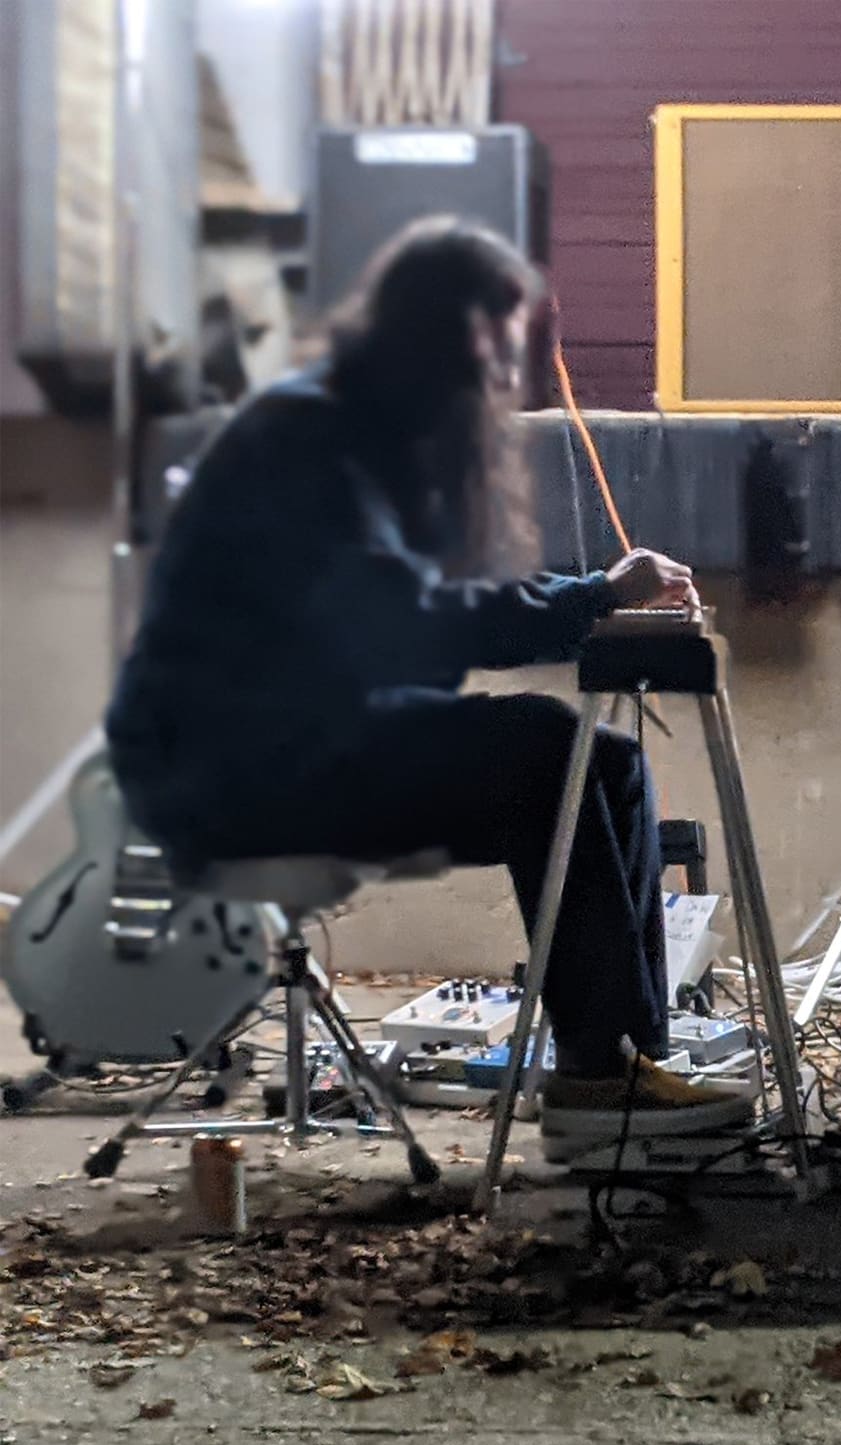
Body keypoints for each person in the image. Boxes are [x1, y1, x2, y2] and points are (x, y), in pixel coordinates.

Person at [106, 217, 751, 1158]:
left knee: (603, 762)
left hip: (305, 736)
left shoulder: (362, 434)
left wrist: (583, 601)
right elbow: (410, 614)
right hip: (229, 767)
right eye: (492, 344)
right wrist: (593, 596)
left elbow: (425, 607)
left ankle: (620, 1064)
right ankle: (597, 1088)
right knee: (549, 754)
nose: (501, 373)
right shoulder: (312, 434)